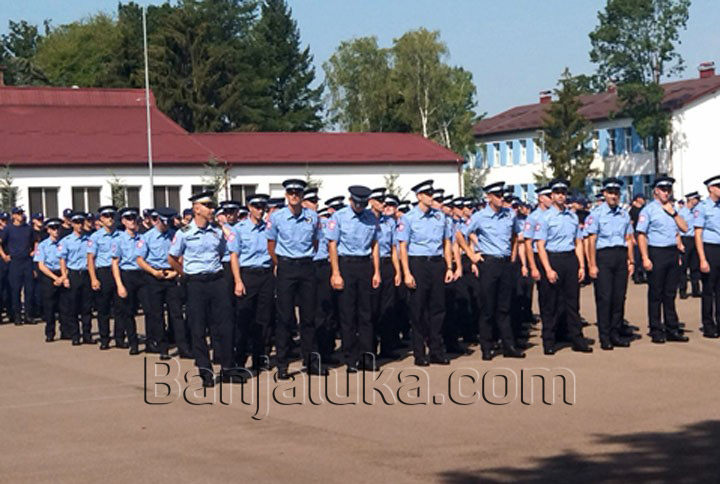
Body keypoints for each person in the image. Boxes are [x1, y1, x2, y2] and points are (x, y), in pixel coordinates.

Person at [169, 191, 238, 387]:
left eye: (212, 206)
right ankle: (205, 372)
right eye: (207, 206)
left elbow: (223, 252)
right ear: (197, 208)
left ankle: (227, 369)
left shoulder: (217, 231)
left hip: (216, 280)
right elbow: (172, 258)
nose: (211, 209)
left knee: (225, 325)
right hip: (195, 283)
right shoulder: (184, 232)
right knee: (198, 328)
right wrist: (184, 273)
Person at [456, 181, 526, 360]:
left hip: (505, 263)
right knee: (487, 307)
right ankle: (486, 347)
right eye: (498, 195)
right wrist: (471, 255)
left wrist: (512, 256)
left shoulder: (509, 215)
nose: (502, 198)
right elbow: (460, 235)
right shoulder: (479, 216)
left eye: (503, 195)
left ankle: (508, 345)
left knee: (505, 307)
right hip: (489, 263)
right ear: (489, 197)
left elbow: (516, 236)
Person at [266, 179, 325, 379]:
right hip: (286, 267)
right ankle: (282, 365)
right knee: (284, 317)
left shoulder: (312, 217)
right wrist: (280, 263)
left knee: (309, 317)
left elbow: (315, 242)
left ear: (302, 196)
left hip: (307, 267)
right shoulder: (277, 217)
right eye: (291, 193)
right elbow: (271, 244)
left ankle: (311, 362)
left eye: (297, 193)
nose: (294, 196)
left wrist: (304, 259)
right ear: (286, 195)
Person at [396, 179, 454, 366]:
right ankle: (419, 353)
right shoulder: (409, 218)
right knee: (418, 310)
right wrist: (406, 273)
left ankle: (436, 351)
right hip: (418, 264)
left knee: (438, 309)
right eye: (428, 194)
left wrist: (449, 267)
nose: (431, 197)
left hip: (436, 263)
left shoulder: (440, 217)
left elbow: (447, 242)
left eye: (432, 194)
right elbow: (402, 247)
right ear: (419, 196)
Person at [534, 178, 592, 355]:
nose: (560, 196)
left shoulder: (572, 216)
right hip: (553, 258)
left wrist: (581, 266)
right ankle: (549, 341)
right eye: (557, 193)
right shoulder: (545, 217)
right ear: (552, 195)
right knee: (550, 303)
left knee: (572, 303)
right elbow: (540, 245)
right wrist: (548, 269)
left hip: (570, 259)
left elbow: (578, 242)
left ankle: (577, 339)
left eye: (563, 193)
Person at [327, 185, 381, 372]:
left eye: (362, 204)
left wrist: (376, 271)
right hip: (346, 265)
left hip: (365, 265)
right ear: (350, 200)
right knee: (348, 315)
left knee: (366, 314)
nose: (359, 207)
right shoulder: (339, 217)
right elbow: (332, 245)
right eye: (356, 203)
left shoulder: (370, 217)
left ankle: (367, 357)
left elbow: (375, 244)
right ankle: (351, 359)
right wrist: (336, 273)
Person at [636, 176, 689, 343]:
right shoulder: (648, 210)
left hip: (672, 253)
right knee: (656, 293)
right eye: (663, 190)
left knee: (670, 293)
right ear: (656, 191)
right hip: (656, 252)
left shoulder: (674, 209)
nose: (666, 193)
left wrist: (673, 213)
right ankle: (656, 329)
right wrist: (645, 257)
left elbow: (684, 228)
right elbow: (641, 235)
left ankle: (672, 328)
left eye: (668, 190)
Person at [585, 178, 634, 350]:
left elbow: (629, 238)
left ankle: (615, 333)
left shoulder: (624, 214)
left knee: (619, 297)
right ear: (604, 194)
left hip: (620, 256)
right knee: (605, 298)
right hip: (603, 256)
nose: (614, 196)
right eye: (610, 193)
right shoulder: (596, 214)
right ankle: (604, 337)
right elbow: (591, 241)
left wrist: (631, 260)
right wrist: (592, 264)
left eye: (616, 193)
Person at [229, 194, 275, 370]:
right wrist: (238, 281)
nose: (260, 210)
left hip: (266, 275)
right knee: (244, 319)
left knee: (264, 319)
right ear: (249, 207)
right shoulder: (239, 229)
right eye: (257, 207)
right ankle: (239, 360)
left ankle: (259, 358)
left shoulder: (268, 228)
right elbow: (234, 256)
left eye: (263, 207)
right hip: (247, 275)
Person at [136, 207, 187, 360]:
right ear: (157, 220)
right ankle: (163, 348)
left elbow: (182, 254)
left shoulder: (175, 235)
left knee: (176, 313)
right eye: (164, 222)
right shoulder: (147, 237)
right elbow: (139, 259)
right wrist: (153, 272)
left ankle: (183, 347)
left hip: (171, 275)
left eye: (169, 222)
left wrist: (176, 272)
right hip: (154, 276)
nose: (166, 225)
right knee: (157, 314)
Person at [371, 193, 402, 358]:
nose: (383, 204)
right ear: (371, 202)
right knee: (372, 308)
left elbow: (393, 248)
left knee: (388, 308)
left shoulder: (389, 222)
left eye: (384, 201)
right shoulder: (366, 220)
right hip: (370, 265)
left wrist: (397, 271)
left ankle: (387, 347)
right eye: (380, 201)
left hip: (387, 264)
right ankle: (370, 348)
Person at [111, 207, 144, 354]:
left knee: (149, 309)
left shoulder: (142, 238)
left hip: (142, 275)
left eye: (134, 218)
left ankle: (152, 342)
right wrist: (119, 285)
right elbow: (115, 263)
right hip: (127, 275)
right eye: (129, 219)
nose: (132, 221)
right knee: (128, 312)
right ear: (123, 221)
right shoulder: (118, 240)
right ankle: (133, 343)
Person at [87, 205, 120, 350]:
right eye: (106, 216)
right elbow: (90, 259)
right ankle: (104, 338)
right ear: (101, 219)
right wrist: (93, 278)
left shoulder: (121, 235)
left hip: (118, 272)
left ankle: (119, 338)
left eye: (112, 216)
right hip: (103, 272)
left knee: (120, 308)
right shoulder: (95, 237)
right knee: (103, 308)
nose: (110, 219)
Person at [58, 212, 93, 345]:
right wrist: (64, 277)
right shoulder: (66, 241)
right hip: (73, 274)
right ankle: (75, 335)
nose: (79, 225)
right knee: (73, 307)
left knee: (86, 307)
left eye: (81, 222)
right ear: (72, 224)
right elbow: (63, 260)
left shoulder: (89, 240)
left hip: (86, 274)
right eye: (76, 223)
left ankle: (87, 334)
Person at [694, 175, 720, 338]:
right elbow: (698, 234)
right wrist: (702, 259)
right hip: (709, 249)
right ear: (711, 188)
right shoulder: (702, 207)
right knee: (709, 290)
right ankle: (708, 325)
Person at [0, 207, 36, 324]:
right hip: (15, 262)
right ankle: (17, 316)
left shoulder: (28, 228)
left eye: (21, 213)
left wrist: (34, 251)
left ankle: (28, 315)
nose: (21, 216)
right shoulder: (8, 229)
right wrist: (4, 256)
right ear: (14, 216)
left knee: (29, 290)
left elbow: (35, 241)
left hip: (27, 261)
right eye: (18, 214)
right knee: (15, 290)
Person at [34, 218, 65, 342]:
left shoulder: (64, 243)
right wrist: (55, 278)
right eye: (53, 228)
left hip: (62, 273)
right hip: (48, 275)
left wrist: (63, 276)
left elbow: (68, 261)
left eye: (57, 228)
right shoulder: (43, 245)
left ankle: (65, 331)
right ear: (48, 230)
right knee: (49, 306)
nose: (56, 231)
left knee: (64, 305)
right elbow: (41, 265)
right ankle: (50, 332)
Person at [679, 191, 702, 299]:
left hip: (695, 239)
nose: (698, 201)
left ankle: (696, 290)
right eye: (696, 199)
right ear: (691, 200)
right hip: (685, 239)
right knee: (683, 267)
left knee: (695, 266)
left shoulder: (697, 211)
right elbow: (677, 229)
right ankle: (682, 290)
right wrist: (679, 243)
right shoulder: (682, 213)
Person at [629, 194, 647, 284]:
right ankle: (636, 276)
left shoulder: (644, 209)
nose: (644, 200)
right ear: (638, 199)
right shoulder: (633, 210)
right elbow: (630, 224)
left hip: (643, 234)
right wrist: (632, 237)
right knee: (637, 256)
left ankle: (643, 275)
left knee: (643, 255)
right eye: (642, 199)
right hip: (636, 233)